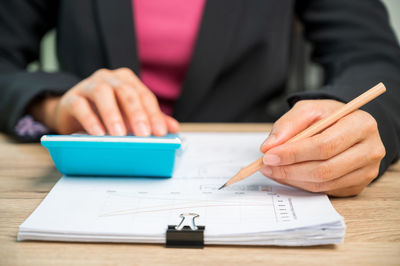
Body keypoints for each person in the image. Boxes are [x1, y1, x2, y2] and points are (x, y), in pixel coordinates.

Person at [0, 0, 399, 197]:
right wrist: (49, 105)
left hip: (261, 160)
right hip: (85, 167)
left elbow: (375, 59)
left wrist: (351, 118)